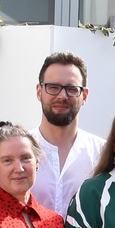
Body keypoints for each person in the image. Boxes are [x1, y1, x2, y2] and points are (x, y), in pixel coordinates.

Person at [31, 51, 103, 215]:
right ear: (39, 91)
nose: (62, 96)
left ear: (84, 95)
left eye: (72, 89)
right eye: (53, 87)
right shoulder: (14, 151)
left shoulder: (103, 153)